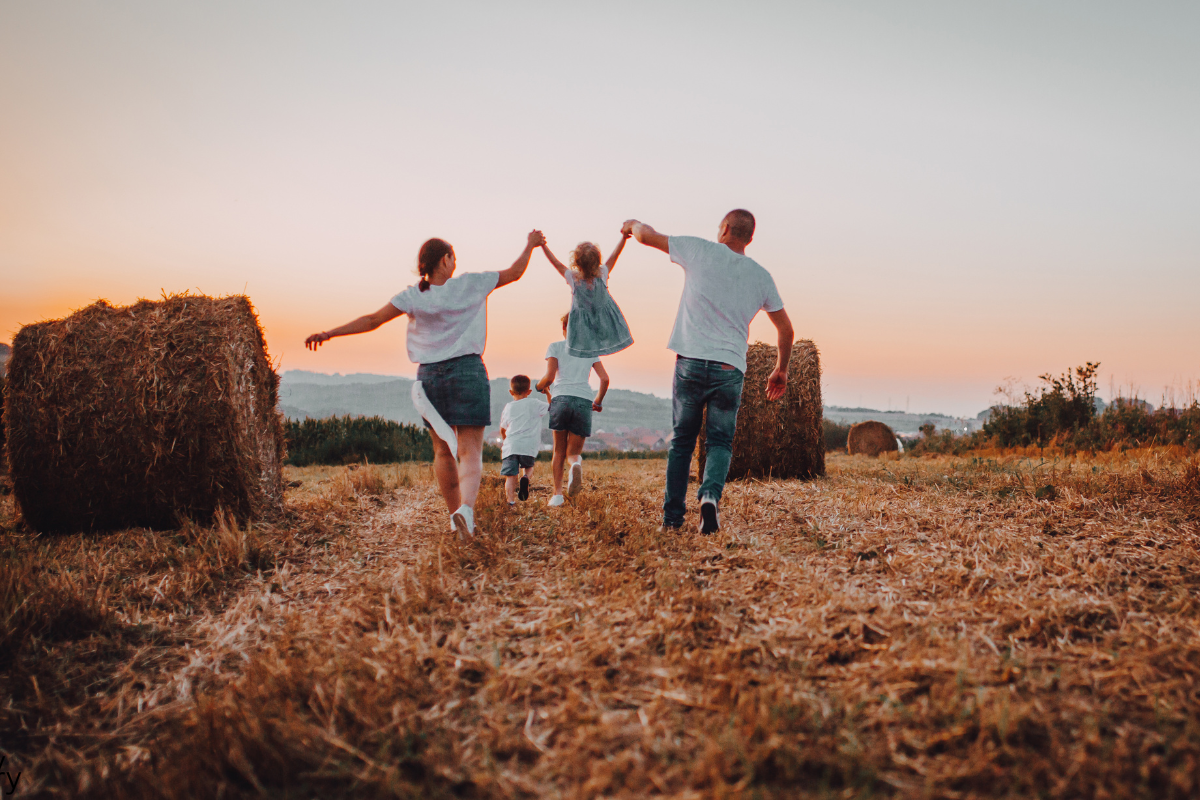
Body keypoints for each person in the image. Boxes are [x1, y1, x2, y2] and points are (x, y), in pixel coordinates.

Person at [305, 230, 545, 540]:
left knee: (443, 452)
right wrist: (531, 244)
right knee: (470, 452)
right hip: (468, 370)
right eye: (453, 257)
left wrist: (329, 333)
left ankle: (453, 515)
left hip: (429, 379)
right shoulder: (472, 283)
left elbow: (372, 320)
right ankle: (466, 513)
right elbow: (515, 272)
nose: (455, 263)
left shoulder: (412, 295)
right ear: (445, 260)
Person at [622, 209, 793, 534]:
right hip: (729, 369)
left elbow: (646, 236)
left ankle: (672, 520)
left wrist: (632, 226)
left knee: (683, 442)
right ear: (750, 238)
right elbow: (786, 331)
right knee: (719, 443)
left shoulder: (699, 249)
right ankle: (709, 498)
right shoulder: (762, 276)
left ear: (725, 229)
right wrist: (780, 370)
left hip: (690, 362)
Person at [536, 313, 610, 507]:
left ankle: (557, 495)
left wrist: (538, 385)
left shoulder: (555, 347)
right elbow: (604, 379)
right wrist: (598, 402)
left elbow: (549, 378)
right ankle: (576, 465)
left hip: (561, 399)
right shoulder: (590, 350)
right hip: (584, 400)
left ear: (564, 329)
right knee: (573, 452)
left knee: (558, 450)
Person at [540, 234, 633, 358]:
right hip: (604, 321)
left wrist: (543, 245)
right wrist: (623, 238)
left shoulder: (573, 278)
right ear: (598, 260)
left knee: (584, 344)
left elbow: (556, 263)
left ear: (576, 261)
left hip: (583, 325)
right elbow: (615, 255)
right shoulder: (602, 273)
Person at [499, 374, 549, 505]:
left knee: (510, 476)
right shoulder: (534, 403)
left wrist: (505, 441)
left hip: (511, 445)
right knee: (528, 467)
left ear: (511, 392)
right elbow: (552, 406)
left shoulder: (508, 407)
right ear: (529, 391)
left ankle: (510, 501)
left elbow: (503, 429)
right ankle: (525, 477)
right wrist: (548, 392)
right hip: (528, 445)